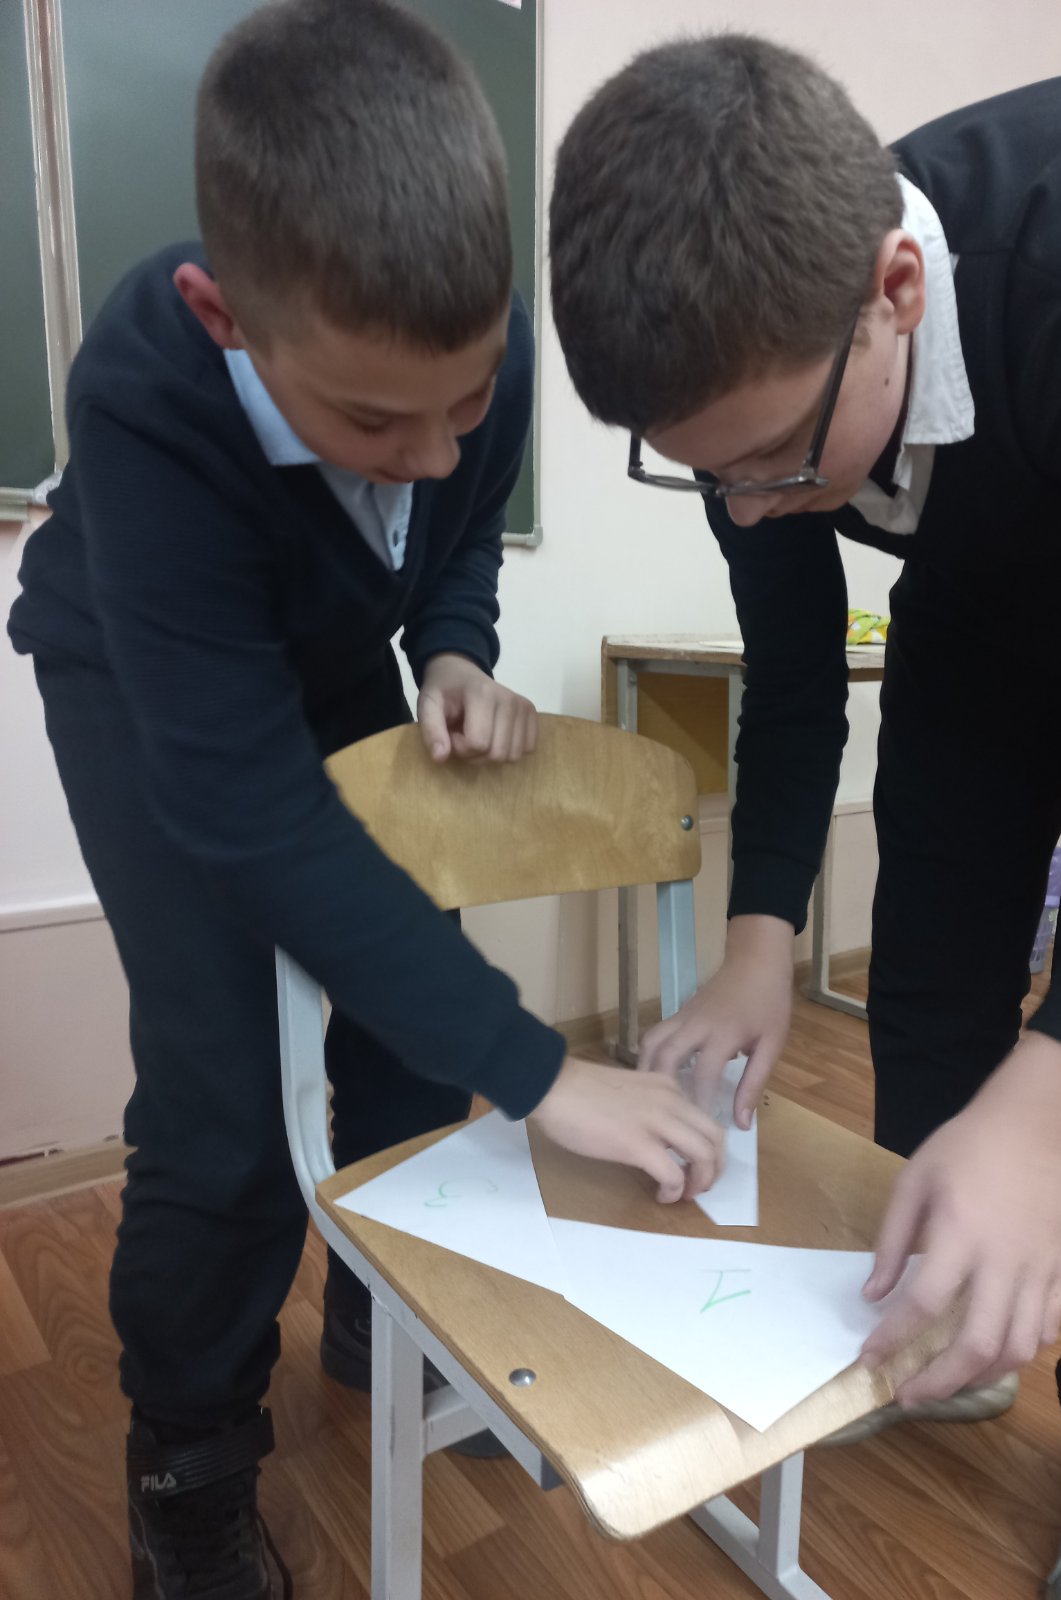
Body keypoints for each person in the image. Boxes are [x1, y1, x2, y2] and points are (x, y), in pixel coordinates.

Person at [7, 5, 723, 1596]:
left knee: (409, 1014)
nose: (429, 454)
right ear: (225, 320)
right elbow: (249, 809)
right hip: (143, 673)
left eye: (459, 404)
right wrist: (544, 1072)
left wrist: (456, 646)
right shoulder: (145, 389)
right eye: (369, 421)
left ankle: (380, 1323)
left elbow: (456, 528)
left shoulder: (482, 347)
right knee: (221, 1087)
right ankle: (190, 1455)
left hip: (327, 656)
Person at [549, 37, 1061, 1598]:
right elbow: (791, 673)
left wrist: (1049, 1110)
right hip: (982, 609)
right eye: (703, 476)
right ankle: (951, 1308)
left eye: (770, 463)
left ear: (896, 291)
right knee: (927, 959)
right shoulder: (755, 359)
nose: (748, 507)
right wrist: (755, 942)